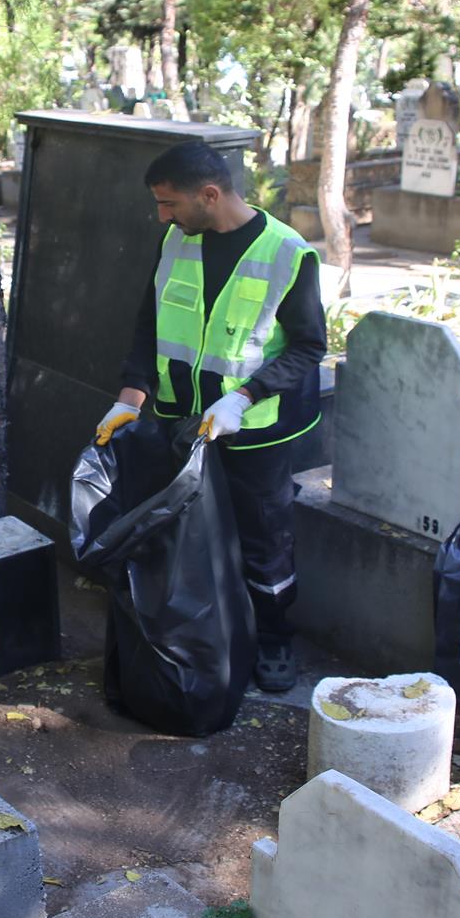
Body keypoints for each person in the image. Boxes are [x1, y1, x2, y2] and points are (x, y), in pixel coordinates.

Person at [95, 143, 326, 692]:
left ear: (210, 194)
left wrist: (243, 397)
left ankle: (273, 639)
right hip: (183, 419)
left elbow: (308, 348)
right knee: (190, 531)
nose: (162, 216)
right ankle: (210, 631)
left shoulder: (288, 254)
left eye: (169, 204)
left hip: (256, 430)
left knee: (264, 536)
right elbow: (149, 321)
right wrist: (131, 396)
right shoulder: (178, 240)